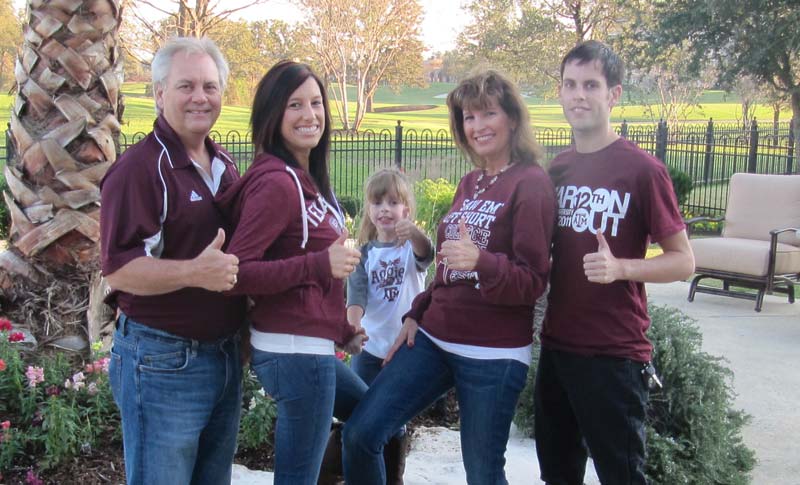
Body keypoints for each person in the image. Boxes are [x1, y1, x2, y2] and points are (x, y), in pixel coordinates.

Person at [343, 69, 556, 485]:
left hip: (493, 354)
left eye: (487, 114)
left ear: (512, 118)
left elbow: (533, 281)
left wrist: (483, 261)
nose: (476, 127)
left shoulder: (531, 184)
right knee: (361, 433)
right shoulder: (471, 182)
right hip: (433, 337)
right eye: (468, 118)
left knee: (482, 472)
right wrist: (416, 313)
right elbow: (446, 268)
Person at [534, 40, 695, 485]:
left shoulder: (642, 170)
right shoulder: (557, 170)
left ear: (614, 95)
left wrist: (624, 268)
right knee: (558, 476)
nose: (578, 95)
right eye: (569, 84)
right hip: (557, 349)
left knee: (622, 477)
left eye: (590, 85)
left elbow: (684, 261)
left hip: (614, 356)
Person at [99, 37, 244, 485]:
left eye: (210, 86)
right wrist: (193, 273)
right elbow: (119, 268)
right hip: (162, 361)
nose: (200, 97)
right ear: (159, 94)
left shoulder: (224, 164)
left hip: (223, 357)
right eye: (186, 86)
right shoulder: (139, 171)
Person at [215, 60, 367, 485]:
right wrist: (320, 264)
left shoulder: (306, 177)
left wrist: (341, 329)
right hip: (294, 352)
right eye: (294, 104)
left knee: (374, 418)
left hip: (312, 347)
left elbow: (312, 274)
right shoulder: (278, 184)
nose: (309, 115)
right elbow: (236, 274)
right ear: (272, 115)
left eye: (316, 103)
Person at [345, 168, 434, 482]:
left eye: (393, 202)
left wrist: (416, 233)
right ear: (369, 209)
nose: (385, 209)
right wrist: (352, 329)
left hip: (405, 349)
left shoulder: (410, 250)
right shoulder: (363, 255)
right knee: (363, 418)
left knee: (392, 419)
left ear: (406, 211)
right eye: (378, 202)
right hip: (369, 351)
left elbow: (429, 252)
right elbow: (356, 298)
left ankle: (393, 475)